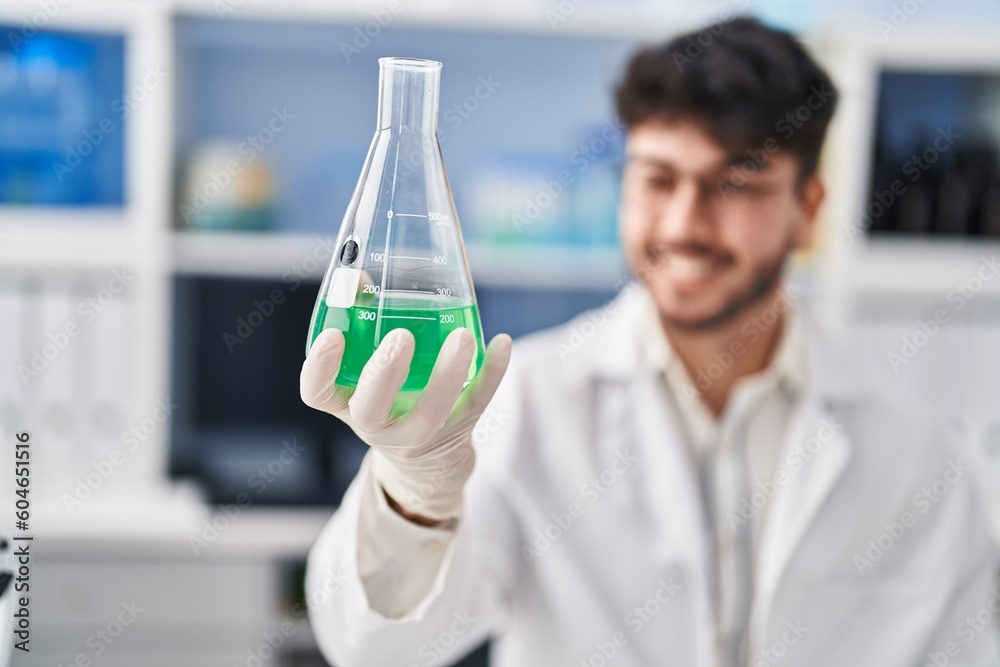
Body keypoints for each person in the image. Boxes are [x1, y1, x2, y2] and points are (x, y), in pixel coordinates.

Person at [299, 17, 1000, 667]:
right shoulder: (525, 399)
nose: (684, 223)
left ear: (808, 210)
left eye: (735, 183)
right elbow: (376, 646)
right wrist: (413, 489)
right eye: (658, 179)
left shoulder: (918, 450)